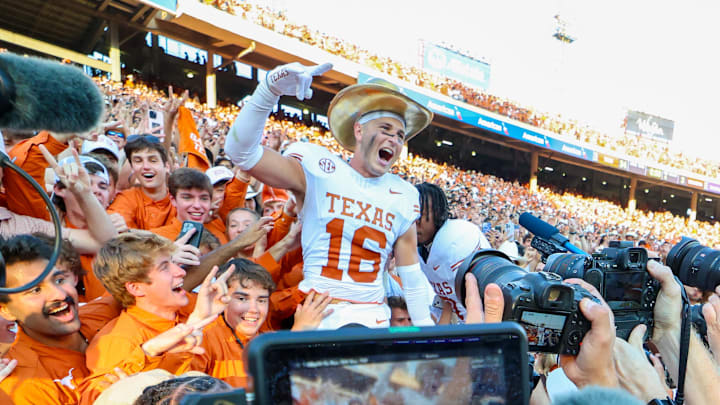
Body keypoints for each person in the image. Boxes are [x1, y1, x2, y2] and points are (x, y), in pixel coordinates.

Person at [225, 62, 435, 328]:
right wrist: (269, 90)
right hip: (319, 316)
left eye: (400, 135)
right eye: (385, 129)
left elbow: (411, 274)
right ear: (359, 130)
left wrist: (426, 331)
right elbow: (240, 152)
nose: (394, 140)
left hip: (374, 318)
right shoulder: (318, 169)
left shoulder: (403, 194)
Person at [79, 231, 233, 403]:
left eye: (174, 263)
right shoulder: (119, 340)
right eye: (165, 267)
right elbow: (94, 399)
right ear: (136, 288)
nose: (180, 272)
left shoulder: (196, 312)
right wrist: (147, 354)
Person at [415, 182, 490, 322]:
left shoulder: (458, 237)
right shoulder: (420, 248)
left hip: (488, 324)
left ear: (438, 213)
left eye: (420, 216)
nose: (414, 223)